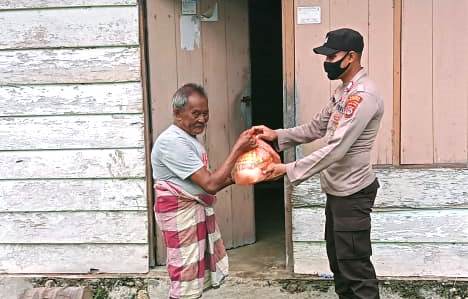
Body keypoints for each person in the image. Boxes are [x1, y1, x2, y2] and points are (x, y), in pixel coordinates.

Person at [254, 28, 383, 299]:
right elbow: (316, 127)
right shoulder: (343, 92)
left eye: (331, 56)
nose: (326, 62)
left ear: (350, 57)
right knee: (339, 264)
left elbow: (336, 150)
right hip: (337, 192)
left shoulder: (363, 96)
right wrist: (277, 136)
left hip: (353, 193)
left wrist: (287, 170)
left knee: (355, 268)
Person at [151, 83, 256, 299]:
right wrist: (238, 148)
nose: (201, 120)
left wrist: (247, 173)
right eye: (195, 114)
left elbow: (207, 183)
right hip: (181, 215)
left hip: (192, 212)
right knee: (185, 275)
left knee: (194, 275)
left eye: (205, 114)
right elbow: (210, 184)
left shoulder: (189, 139)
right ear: (177, 113)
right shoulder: (172, 142)